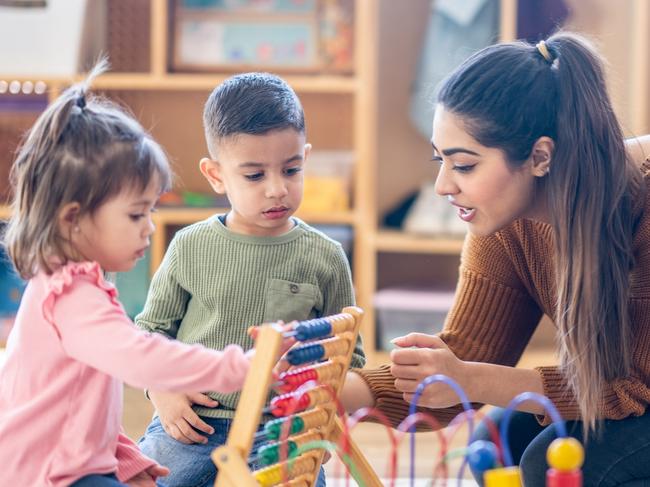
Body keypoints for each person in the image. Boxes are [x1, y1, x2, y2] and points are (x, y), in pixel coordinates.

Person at [340, 32, 650, 486]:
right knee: (498, 440)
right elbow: (464, 358)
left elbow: (632, 388)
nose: (443, 185)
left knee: (557, 460)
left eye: (464, 165)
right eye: (439, 161)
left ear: (540, 157)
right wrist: (342, 393)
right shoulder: (503, 224)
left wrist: (469, 378)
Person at [0, 60, 277, 487]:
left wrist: (129, 462)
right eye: (135, 214)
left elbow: (80, 405)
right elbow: (142, 359)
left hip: (68, 464)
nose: (148, 226)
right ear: (73, 219)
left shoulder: (76, 286)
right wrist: (242, 367)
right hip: (47, 474)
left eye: (151, 210)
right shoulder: (71, 296)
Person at [136, 72, 365, 487]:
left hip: (280, 434)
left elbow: (351, 359)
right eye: (255, 176)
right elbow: (148, 333)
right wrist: (161, 392)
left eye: (291, 170)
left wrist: (311, 401)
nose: (277, 189)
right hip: (194, 426)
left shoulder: (326, 257)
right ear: (216, 174)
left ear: (305, 158)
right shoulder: (189, 246)